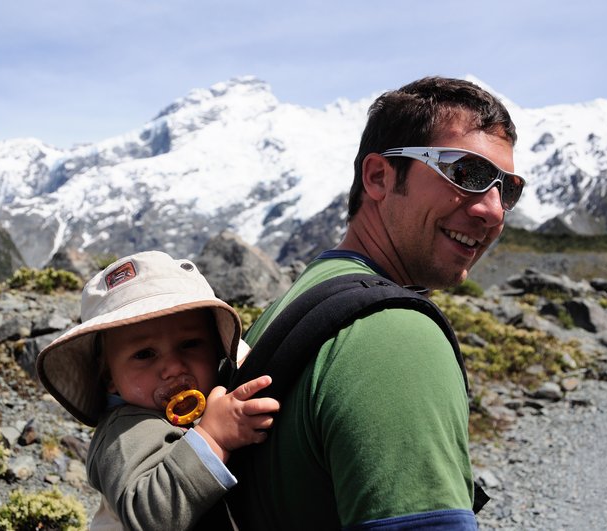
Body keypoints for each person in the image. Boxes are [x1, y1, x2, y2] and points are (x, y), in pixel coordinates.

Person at [232, 76, 524, 529]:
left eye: (508, 190)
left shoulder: (307, 294)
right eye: (466, 173)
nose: (493, 210)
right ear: (378, 177)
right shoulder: (395, 336)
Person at [36, 250, 280, 530]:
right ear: (109, 378)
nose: (173, 367)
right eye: (144, 354)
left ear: (216, 349)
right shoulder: (124, 432)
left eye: (190, 344)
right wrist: (214, 438)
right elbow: (149, 517)